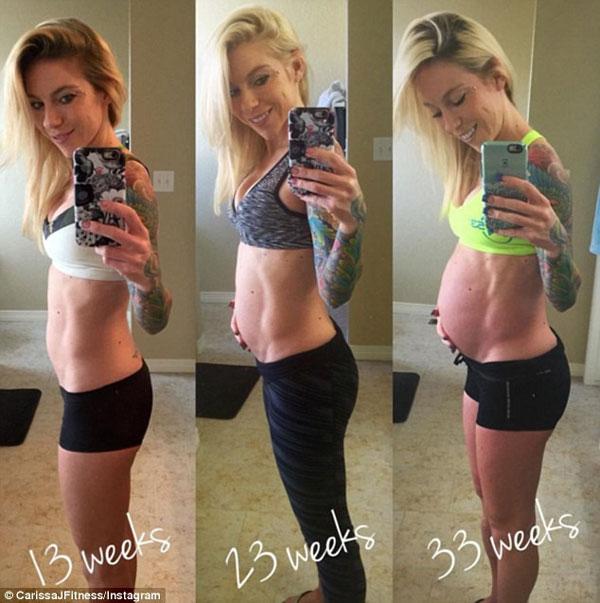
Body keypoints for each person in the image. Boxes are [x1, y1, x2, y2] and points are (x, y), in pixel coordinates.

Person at [395, 12, 581, 603]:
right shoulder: (478, 157)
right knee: (489, 505)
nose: (452, 123)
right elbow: (481, 255)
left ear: (496, 76)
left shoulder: (540, 164)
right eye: (436, 112)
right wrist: (454, 312)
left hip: (521, 375)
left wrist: (554, 242)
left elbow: (565, 296)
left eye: (458, 99)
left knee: (511, 522)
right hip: (482, 366)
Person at [200, 6, 366, 603]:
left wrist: (350, 224)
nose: (248, 101)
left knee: (323, 517)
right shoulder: (261, 152)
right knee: (314, 507)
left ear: (295, 66)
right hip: (283, 365)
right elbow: (262, 248)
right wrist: (243, 308)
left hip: (307, 374)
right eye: (233, 89)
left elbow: (336, 289)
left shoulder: (308, 162)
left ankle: (338, 597)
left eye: (260, 78)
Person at [1, 18, 172, 589]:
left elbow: (157, 317)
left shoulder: (128, 179)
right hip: (82, 389)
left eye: (66, 97)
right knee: (104, 536)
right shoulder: (64, 171)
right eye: (36, 103)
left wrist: (145, 275)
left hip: (107, 396)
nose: (50, 120)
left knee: (99, 557)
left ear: (104, 90)